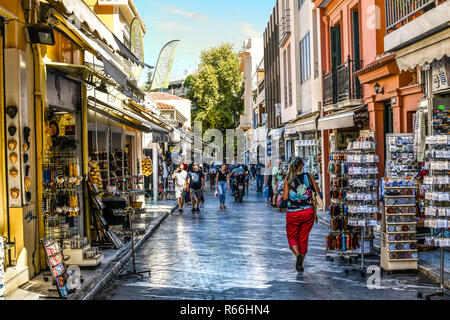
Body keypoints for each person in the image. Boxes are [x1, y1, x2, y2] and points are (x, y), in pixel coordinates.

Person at [283, 157, 321, 272]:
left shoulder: (288, 179)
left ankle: (297, 255)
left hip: (293, 213)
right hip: (307, 212)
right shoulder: (308, 176)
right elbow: (317, 191)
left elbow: (285, 198)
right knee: (303, 237)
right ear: (301, 166)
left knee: (292, 236)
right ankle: (301, 263)